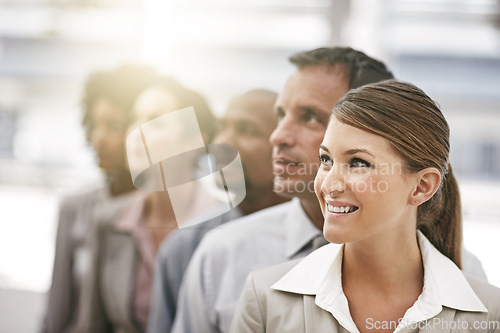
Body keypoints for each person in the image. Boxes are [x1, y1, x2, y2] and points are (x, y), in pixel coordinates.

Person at [171, 47, 488, 333]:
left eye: (309, 117)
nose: (277, 136)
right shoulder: (225, 257)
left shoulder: (466, 283)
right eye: (281, 115)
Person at [231, 80, 500, 333]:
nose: (329, 184)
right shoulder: (265, 299)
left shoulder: (489, 314)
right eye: (326, 159)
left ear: (422, 187)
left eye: (359, 163)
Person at [81, 77, 218, 333]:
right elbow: (91, 324)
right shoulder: (109, 220)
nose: (136, 132)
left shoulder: (222, 227)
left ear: (195, 142)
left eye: (156, 121)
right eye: (135, 118)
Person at [147, 89, 289, 333]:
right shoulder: (185, 248)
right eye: (222, 127)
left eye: (248, 130)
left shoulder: (324, 238)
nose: (223, 142)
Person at [41, 65, 157, 333]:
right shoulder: (75, 207)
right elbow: (56, 310)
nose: (99, 138)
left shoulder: (159, 211)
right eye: (95, 125)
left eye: (113, 126)